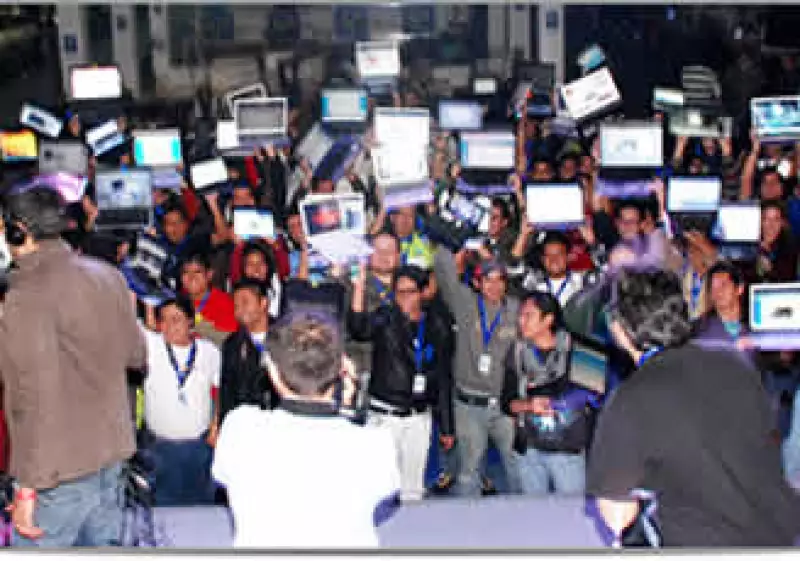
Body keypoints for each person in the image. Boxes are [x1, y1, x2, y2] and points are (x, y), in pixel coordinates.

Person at [587, 268, 800, 546]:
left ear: (620, 328)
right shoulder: (734, 362)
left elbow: (617, 515)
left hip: (704, 542)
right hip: (777, 533)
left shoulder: (632, 397)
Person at [0, 186, 146, 546]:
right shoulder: (108, 276)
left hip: (56, 477)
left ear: (18, 231)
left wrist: (26, 489)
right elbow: (137, 358)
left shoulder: (25, 299)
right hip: (112, 460)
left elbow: (29, 400)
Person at [212, 315, 401, 548]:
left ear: (273, 372)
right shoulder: (375, 442)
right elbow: (386, 489)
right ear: (343, 369)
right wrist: (350, 407)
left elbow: (222, 475)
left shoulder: (240, 428)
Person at [349, 264, 455, 502]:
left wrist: (447, 425)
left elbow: (443, 377)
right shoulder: (386, 317)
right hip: (385, 415)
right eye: (399, 292)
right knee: (380, 486)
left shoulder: (437, 326)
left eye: (410, 292)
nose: (404, 298)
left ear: (422, 293)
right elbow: (358, 329)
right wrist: (359, 285)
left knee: (413, 488)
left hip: (419, 416)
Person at [434, 248, 521, 496]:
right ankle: (468, 529)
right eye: (488, 280)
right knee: (468, 472)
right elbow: (443, 270)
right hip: (469, 404)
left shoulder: (517, 310)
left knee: (517, 469)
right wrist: (461, 247)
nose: (494, 286)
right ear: (477, 282)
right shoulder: (465, 304)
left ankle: (525, 524)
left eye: (499, 280)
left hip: (505, 406)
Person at [502, 291, 592, 495]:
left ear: (548, 320)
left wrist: (555, 404)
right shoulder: (516, 351)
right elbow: (506, 402)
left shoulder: (582, 349)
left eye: (528, 315)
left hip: (567, 449)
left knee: (571, 515)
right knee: (533, 517)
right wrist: (529, 405)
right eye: (520, 315)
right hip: (529, 449)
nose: (521, 321)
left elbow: (593, 396)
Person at [140, 297, 220, 506]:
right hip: (160, 448)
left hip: (199, 446)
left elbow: (221, 390)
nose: (169, 326)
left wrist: (216, 425)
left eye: (176, 319)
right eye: (163, 320)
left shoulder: (209, 351)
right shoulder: (152, 346)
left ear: (190, 322)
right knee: (165, 516)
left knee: (200, 511)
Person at [217, 278, 278, 427]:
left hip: (279, 423)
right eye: (236, 305)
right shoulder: (232, 344)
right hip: (245, 425)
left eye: (245, 302)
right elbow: (227, 392)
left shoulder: (286, 337)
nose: (239, 310)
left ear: (263, 303)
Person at [179, 251, 238, 346]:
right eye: (186, 272)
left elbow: (231, 343)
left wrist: (201, 328)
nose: (191, 277)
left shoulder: (224, 303)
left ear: (209, 274)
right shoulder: (176, 302)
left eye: (197, 272)